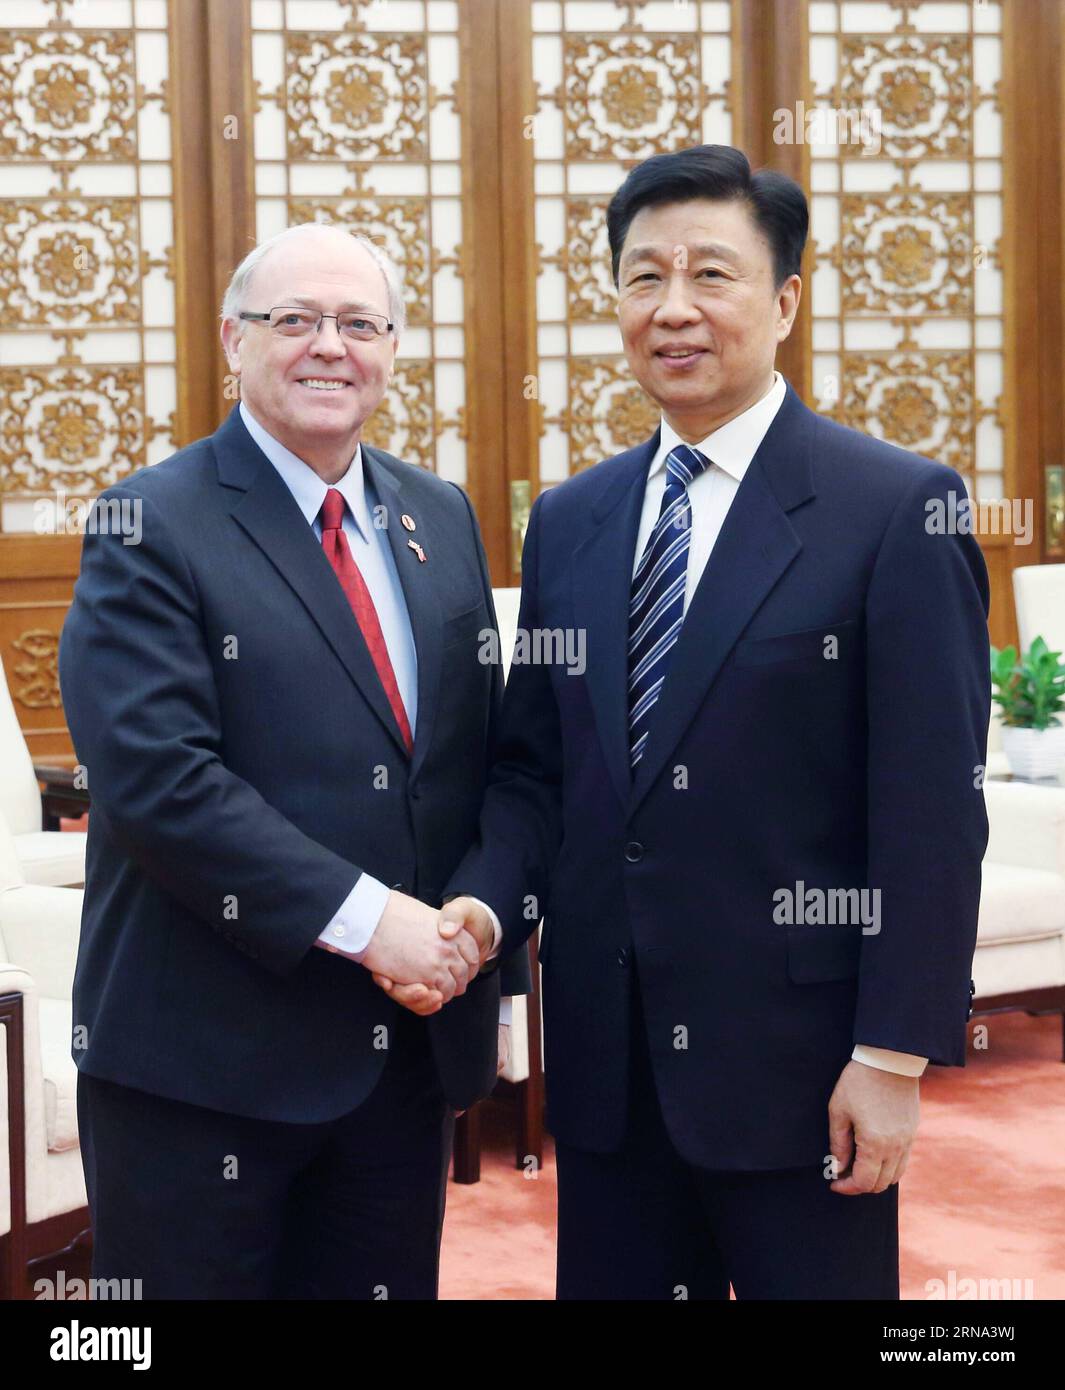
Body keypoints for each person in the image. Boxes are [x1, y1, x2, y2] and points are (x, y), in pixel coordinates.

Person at [388, 145, 990, 1299]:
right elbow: (534, 773)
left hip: (802, 1072)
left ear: (786, 301)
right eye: (641, 277)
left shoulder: (895, 507)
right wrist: (482, 900)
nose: (673, 309)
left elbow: (929, 812)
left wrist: (892, 1054)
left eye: (711, 274)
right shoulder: (573, 519)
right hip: (610, 1073)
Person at [59, 222, 527, 1300]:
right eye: (295, 320)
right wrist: (378, 924)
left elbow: (483, 760)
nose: (331, 346)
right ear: (234, 338)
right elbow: (156, 777)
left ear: (394, 348)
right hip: (203, 1068)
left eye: (360, 323)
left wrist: (475, 919)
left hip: (398, 1062)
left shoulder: (439, 514)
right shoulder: (151, 519)